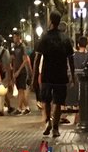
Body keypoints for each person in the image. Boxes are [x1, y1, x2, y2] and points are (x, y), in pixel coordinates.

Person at [32, 11, 74, 140]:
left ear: (50, 21)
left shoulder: (44, 38)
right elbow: (70, 59)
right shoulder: (65, 38)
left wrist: (34, 77)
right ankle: (55, 128)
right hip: (61, 74)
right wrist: (72, 74)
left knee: (46, 100)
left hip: (47, 74)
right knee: (58, 102)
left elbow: (37, 58)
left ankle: (48, 122)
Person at [10, 33, 30, 113]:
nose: (14, 38)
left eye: (15, 37)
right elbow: (14, 60)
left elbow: (25, 60)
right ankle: (27, 107)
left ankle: (19, 108)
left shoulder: (22, 47)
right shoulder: (15, 47)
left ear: (19, 37)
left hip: (22, 71)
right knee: (19, 89)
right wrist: (14, 71)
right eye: (13, 37)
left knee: (21, 89)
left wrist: (18, 71)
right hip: (17, 71)